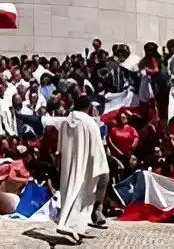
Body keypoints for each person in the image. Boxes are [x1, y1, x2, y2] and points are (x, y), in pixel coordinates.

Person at [56, 95, 110, 243]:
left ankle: (70, 225)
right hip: (86, 165)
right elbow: (98, 149)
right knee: (83, 193)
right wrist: (102, 167)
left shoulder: (66, 121)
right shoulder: (90, 123)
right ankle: (70, 225)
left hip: (69, 164)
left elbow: (59, 148)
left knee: (70, 191)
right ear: (89, 107)